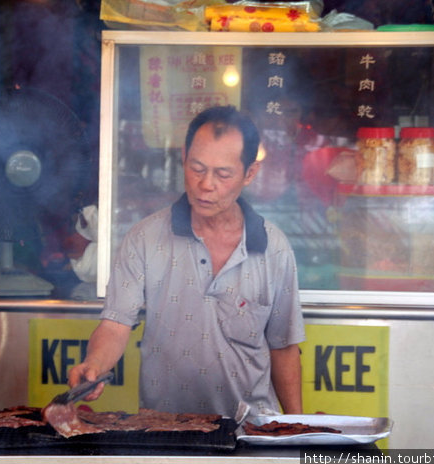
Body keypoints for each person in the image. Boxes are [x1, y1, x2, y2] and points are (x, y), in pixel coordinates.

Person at [68, 105, 305, 418]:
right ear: (183, 157)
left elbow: (284, 347)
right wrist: (94, 364)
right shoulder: (144, 238)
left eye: (223, 174)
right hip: (165, 431)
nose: (206, 184)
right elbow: (115, 323)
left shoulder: (273, 248)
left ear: (250, 173)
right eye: (197, 168)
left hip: (252, 432)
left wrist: (298, 430)